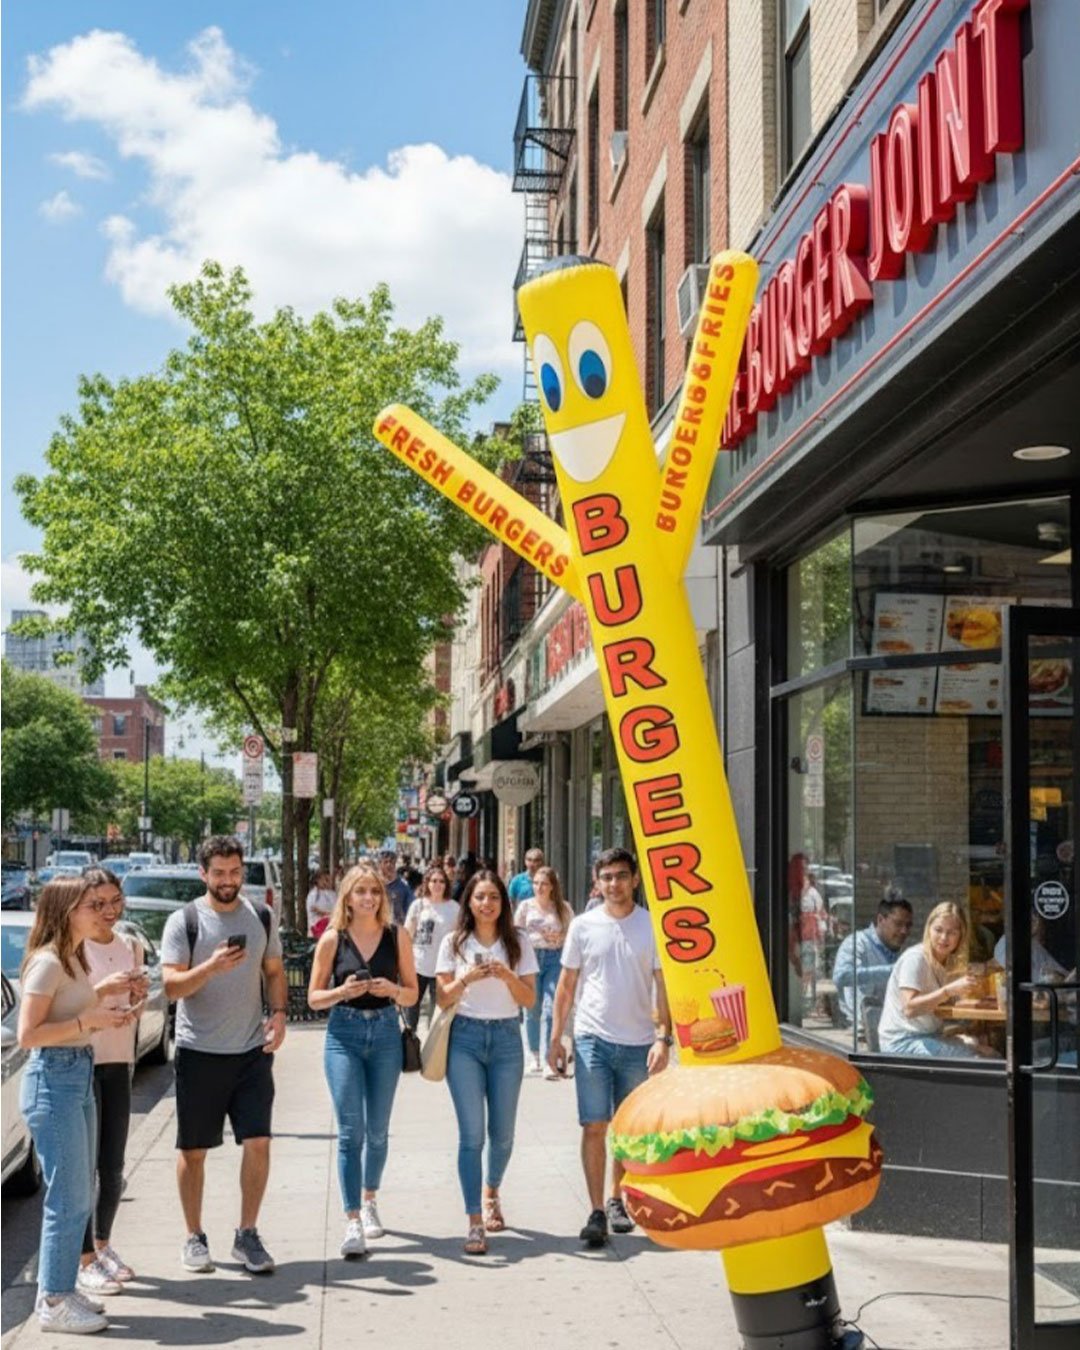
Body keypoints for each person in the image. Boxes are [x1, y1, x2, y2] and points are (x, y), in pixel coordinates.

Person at [17, 875, 138, 1335]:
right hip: (54, 1080)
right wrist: (90, 1017)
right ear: (67, 910)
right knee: (66, 1199)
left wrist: (105, 999)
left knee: (78, 1196)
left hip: (78, 1072)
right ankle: (52, 1300)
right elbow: (30, 1035)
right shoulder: (48, 962)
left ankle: (63, 1288)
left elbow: (70, 1016)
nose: (101, 911)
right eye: (90, 905)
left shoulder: (73, 957)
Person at [161, 836, 287, 1275]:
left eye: (234, 872)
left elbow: (273, 971)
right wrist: (210, 967)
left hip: (251, 1051)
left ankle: (247, 1234)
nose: (228, 881)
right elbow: (171, 987)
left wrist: (281, 1013)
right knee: (194, 1150)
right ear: (203, 873)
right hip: (199, 1052)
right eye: (219, 873)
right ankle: (194, 1236)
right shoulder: (185, 921)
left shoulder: (261, 916)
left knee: (259, 1142)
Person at [548, 847, 671, 1248]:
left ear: (635, 880)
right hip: (591, 1039)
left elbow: (663, 985)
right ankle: (596, 1209)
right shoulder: (583, 926)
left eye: (621, 876)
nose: (614, 884)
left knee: (627, 1129)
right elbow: (566, 986)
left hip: (638, 1042)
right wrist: (556, 1038)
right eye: (607, 877)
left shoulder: (651, 926)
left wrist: (662, 1037)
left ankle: (618, 1198)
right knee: (594, 1124)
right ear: (596, 883)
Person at [308, 863, 418, 1258]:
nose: (369, 898)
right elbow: (313, 998)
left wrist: (392, 988)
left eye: (374, 891)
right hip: (344, 1035)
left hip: (386, 1032)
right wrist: (342, 993)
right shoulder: (333, 939)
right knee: (351, 1131)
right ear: (347, 897)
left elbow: (412, 993)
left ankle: (370, 1198)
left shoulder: (396, 936)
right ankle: (352, 1219)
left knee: (378, 1130)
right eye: (360, 891)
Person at [435, 870, 537, 1255]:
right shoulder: (454, 942)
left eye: (493, 897)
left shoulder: (519, 941)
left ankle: (492, 1188)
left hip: (508, 1039)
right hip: (465, 1038)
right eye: (479, 897)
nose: (486, 904)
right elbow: (443, 998)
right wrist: (467, 980)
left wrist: (508, 976)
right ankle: (475, 1219)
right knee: (472, 1134)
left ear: (503, 902)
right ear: (469, 902)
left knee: (504, 1134)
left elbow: (529, 1000)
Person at [77, 868, 151, 1298]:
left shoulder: (130, 945)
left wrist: (136, 1000)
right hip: (82, 1061)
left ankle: (103, 1246)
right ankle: (83, 1256)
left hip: (119, 1059)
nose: (108, 911)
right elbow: (68, 1006)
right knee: (83, 1168)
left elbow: (135, 1001)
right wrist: (104, 991)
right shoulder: (74, 948)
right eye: (99, 903)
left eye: (115, 902)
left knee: (114, 1166)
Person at [878, 901, 998, 1059]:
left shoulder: (946, 962)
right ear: (928, 930)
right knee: (978, 1060)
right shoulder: (916, 958)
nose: (944, 938)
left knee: (991, 1053)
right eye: (938, 930)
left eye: (952, 932)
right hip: (903, 1041)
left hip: (930, 1035)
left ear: (961, 936)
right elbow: (910, 1008)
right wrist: (949, 990)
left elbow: (946, 1003)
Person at [515, 865, 572, 1077]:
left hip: (554, 958)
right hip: (530, 958)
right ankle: (534, 1054)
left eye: (544, 884)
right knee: (532, 1008)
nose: (539, 887)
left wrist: (560, 938)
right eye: (536, 883)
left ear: (552, 887)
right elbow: (516, 932)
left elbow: (572, 933)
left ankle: (550, 1057)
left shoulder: (563, 908)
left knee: (550, 1008)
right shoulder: (525, 907)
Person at [831, 894, 914, 1030]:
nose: (904, 931)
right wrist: (893, 971)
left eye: (908, 925)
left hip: (895, 1026)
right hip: (860, 1030)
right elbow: (841, 976)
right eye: (898, 924)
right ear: (881, 919)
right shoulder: (857, 943)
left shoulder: (903, 949)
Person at [403, 864, 459, 1031]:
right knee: (411, 1008)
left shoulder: (454, 908)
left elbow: (458, 938)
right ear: (427, 883)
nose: (437, 884)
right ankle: (411, 1044)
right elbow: (407, 935)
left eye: (441, 881)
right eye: (433, 881)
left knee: (438, 1012)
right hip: (418, 966)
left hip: (442, 968)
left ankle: (432, 1050)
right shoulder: (418, 905)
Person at [379, 850, 412, 927]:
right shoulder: (375, 884)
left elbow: (410, 908)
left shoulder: (403, 886)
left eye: (391, 862)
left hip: (397, 928)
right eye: (385, 862)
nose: (389, 865)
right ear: (380, 864)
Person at [306, 870, 336, 938]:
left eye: (329, 880)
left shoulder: (332, 894)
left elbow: (337, 910)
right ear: (318, 880)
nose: (327, 882)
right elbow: (315, 911)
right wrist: (330, 913)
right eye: (325, 880)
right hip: (317, 930)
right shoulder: (313, 895)